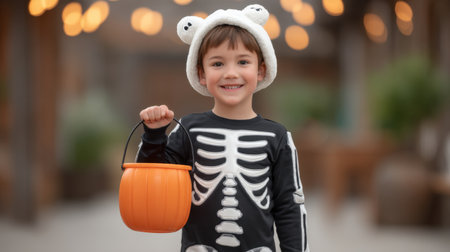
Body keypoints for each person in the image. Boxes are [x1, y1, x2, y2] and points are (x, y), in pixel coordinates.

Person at [137, 4, 309, 252]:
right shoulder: (188, 128)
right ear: (201, 74)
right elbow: (151, 180)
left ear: (260, 70)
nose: (231, 73)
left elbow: (290, 206)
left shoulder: (278, 136)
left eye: (243, 62)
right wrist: (154, 134)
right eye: (217, 64)